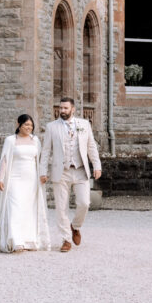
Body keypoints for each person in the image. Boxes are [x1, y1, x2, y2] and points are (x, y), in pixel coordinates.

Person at [39, 96, 101, 252]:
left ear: (73, 109)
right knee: (61, 208)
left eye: (65, 108)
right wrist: (42, 171)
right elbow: (46, 151)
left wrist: (97, 165)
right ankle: (66, 239)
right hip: (61, 172)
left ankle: (75, 226)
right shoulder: (52, 127)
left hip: (81, 170)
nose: (62, 111)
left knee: (84, 203)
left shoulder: (84, 124)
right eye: (61, 108)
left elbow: (91, 147)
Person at [0, 114, 50, 253]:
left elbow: (41, 159)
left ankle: (29, 240)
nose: (29, 128)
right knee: (15, 207)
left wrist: (43, 174)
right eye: (26, 125)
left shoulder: (35, 140)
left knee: (28, 209)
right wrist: (0, 178)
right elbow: (4, 160)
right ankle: (16, 240)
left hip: (31, 180)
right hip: (14, 178)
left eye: (31, 125)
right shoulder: (10, 140)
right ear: (18, 124)